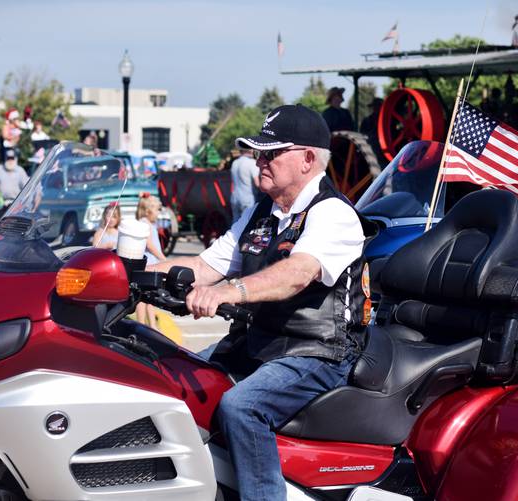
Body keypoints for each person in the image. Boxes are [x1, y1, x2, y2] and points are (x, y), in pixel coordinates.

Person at [153, 104, 371, 500]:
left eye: (271, 153)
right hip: (260, 343)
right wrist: (127, 268)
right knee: (170, 380)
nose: (261, 161)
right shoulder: (261, 214)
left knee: (242, 407)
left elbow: (297, 272)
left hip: (316, 353)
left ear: (307, 159)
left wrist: (228, 292)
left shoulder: (333, 214)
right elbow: (203, 266)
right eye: (258, 153)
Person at [136, 194, 167, 328]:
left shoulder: (149, 223)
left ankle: (152, 325)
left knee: (150, 298)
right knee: (142, 298)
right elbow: (149, 244)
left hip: (152, 264)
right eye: (157, 210)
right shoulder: (144, 223)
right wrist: (163, 258)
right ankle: (141, 324)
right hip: (148, 265)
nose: (158, 214)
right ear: (148, 211)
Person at [229, 148, 260, 222]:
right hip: (247, 199)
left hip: (235, 197)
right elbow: (257, 183)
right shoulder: (252, 163)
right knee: (247, 222)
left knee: (236, 222)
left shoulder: (235, 163)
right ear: (250, 150)